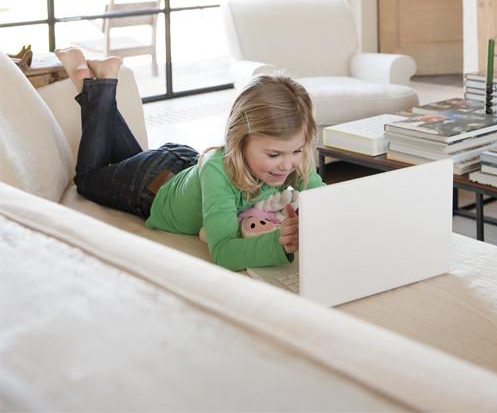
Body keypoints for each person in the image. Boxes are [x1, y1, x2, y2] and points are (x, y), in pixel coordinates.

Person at [55, 48, 324, 271]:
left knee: (126, 160)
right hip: (150, 186)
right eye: (274, 155)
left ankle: (100, 83)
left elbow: (325, 201)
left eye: (298, 151)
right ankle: (97, 85)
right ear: (239, 140)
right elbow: (223, 251)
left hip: (184, 165)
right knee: (88, 179)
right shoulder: (220, 171)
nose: (288, 164)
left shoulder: (292, 161)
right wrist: (280, 243)